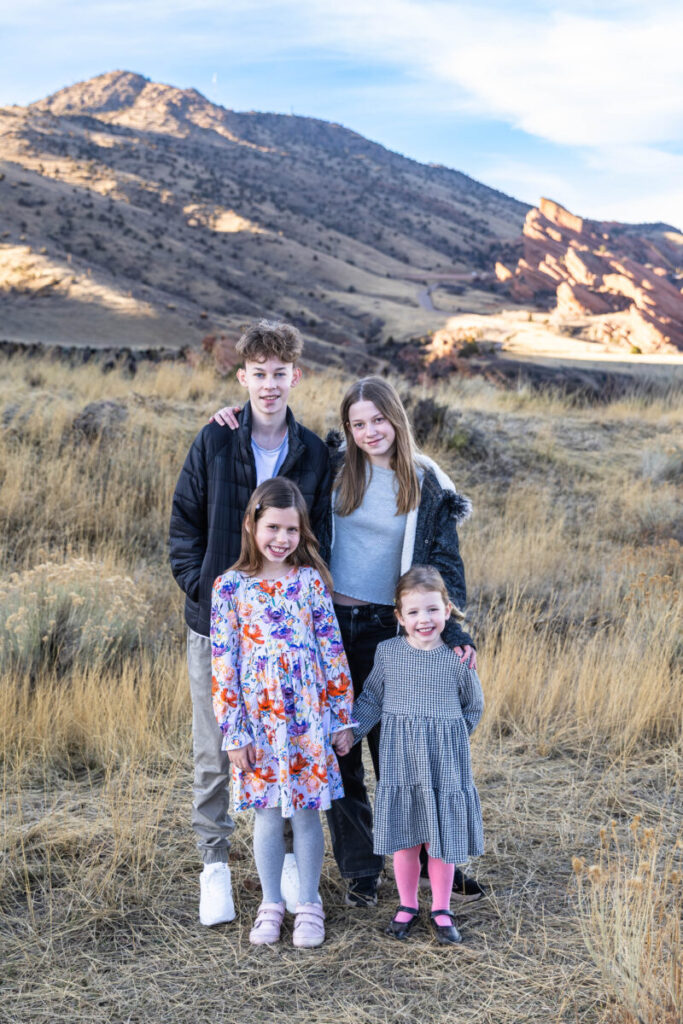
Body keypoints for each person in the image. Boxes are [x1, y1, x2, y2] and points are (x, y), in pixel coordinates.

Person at [210, 374, 481, 908]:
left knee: (406, 754)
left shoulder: (427, 484)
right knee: (342, 751)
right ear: (348, 430)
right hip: (330, 627)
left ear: (395, 418)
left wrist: (452, 630)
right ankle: (361, 870)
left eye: (378, 419)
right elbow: (272, 480)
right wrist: (234, 421)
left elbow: (442, 565)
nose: (369, 431)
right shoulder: (332, 470)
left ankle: (431, 863)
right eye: (357, 424)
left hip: (392, 631)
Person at [169, 321, 331, 928]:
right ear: (242, 377)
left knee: (288, 744)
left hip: (288, 636)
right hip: (220, 629)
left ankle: (288, 864)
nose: (268, 385)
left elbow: (321, 541)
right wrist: (206, 591)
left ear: (296, 376)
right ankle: (214, 867)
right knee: (217, 749)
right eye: (257, 374)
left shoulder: (315, 452)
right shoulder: (216, 440)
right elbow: (183, 525)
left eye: (279, 374)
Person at [212, 478, 355, 947]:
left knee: (309, 814)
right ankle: (271, 902)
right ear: (252, 523)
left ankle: (309, 903)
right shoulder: (230, 587)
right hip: (257, 722)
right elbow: (224, 665)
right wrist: (234, 732)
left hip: (307, 721)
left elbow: (332, 654)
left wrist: (341, 718)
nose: (281, 538)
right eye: (273, 527)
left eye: (291, 530)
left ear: (302, 532)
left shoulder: (310, 582)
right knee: (268, 814)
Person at [334, 566, 484, 945]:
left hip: (443, 763)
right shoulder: (388, 653)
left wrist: (451, 738)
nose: (424, 620)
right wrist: (354, 732)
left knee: (440, 837)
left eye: (432, 610)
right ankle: (407, 904)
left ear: (448, 611)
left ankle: (442, 907)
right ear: (398, 617)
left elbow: (473, 706)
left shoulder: (456, 659)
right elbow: (371, 698)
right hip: (401, 761)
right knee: (406, 837)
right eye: (414, 612)